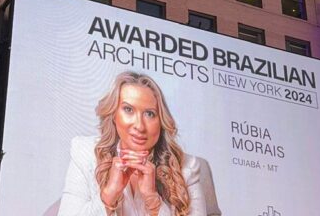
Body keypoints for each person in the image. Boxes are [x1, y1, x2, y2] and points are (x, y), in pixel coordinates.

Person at [58, 72, 208, 216]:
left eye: (150, 113)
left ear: (161, 121)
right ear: (114, 115)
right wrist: (109, 194)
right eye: (128, 109)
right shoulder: (85, 154)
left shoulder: (187, 168)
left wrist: (153, 201)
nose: (140, 126)